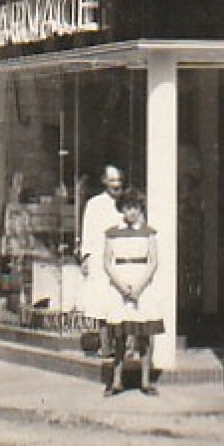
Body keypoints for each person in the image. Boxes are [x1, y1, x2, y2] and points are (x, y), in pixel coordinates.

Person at [102, 188, 164, 397]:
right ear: (122, 209)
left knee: (144, 335)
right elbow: (107, 262)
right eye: (128, 208)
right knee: (120, 336)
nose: (131, 212)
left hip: (142, 286)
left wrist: (138, 288)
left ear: (140, 209)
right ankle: (116, 381)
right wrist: (121, 286)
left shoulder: (149, 233)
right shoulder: (112, 233)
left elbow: (153, 262)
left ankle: (146, 381)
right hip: (119, 284)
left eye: (135, 208)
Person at [79, 165, 126, 357]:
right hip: (99, 259)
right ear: (104, 181)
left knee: (120, 303)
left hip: (122, 260)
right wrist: (86, 257)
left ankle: (121, 346)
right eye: (112, 180)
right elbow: (88, 232)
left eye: (119, 180)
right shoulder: (94, 204)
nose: (116, 185)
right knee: (101, 304)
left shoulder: (126, 205)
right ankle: (105, 345)